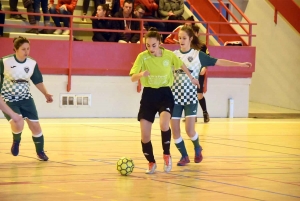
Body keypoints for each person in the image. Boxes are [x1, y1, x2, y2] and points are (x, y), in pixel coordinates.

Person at [171, 26, 252, 166]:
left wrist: (240, 64)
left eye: (184, 38)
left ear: (190, 39)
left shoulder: (198, 55)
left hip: (190, 98)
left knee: (189, 130)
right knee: (175, 132)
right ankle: (184, 156)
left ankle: (197, 147)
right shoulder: (173, 54)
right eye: (179, 38)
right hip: (175, 99)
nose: (181, 40)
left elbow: (219, 61)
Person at [129, 27, 200, 174]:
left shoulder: (168, 55)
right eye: (148, 45)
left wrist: (192, 78)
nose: (151, 48)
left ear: (160, 43)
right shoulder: (142, 57)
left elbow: (181, 65)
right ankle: (151, 162)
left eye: (153, 45)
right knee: (145, 135)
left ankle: (166, 155)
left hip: (165, 94)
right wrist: (141, 74)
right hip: (148, 95)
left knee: (164, 123)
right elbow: (133, 77)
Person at [0, 36, 53, 161]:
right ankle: (16, 141)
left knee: (35, 126)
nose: (26, 52)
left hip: (26, 98)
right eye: (23, 49)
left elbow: (37, 81)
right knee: (18, 123)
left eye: (28, 49)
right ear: (15, 49)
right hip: (8, 97)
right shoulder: (4, 62)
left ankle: (40, 152)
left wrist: (46, 93)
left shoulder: (32, 63)